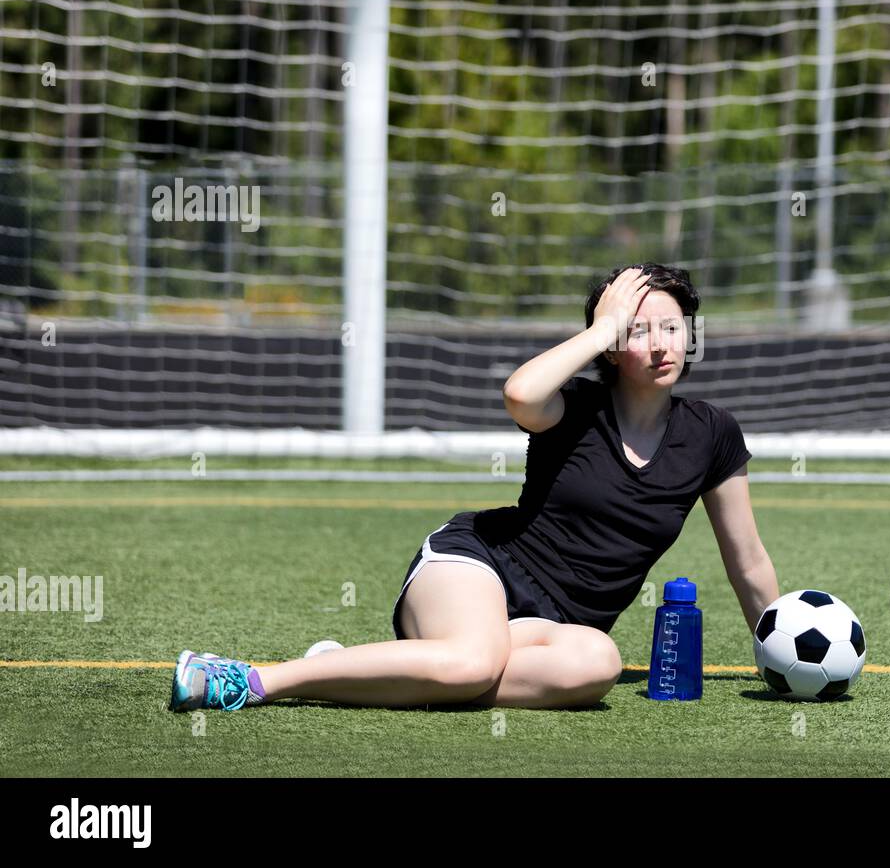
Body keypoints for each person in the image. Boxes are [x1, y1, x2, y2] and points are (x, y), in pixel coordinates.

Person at [169, 263, 779, 712]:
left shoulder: (712, 434)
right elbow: (519, 394)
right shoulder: (573, 406)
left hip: (558, 630)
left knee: (599, 664)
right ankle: (255, 679)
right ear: (614, 345)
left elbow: (746, 558)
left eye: (671, 328)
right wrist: (599, 330)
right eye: (638, 330)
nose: (660, 344)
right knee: (473, 661)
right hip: (478, 563)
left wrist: (775, 648)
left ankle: (361, 668)